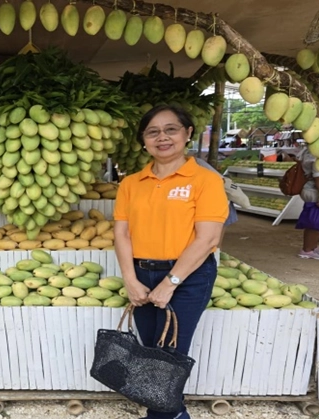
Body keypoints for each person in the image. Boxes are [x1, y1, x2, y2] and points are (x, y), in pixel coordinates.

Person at [113, 105, 228, 419]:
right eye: (153, 132)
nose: (162, 137)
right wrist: (130, 278)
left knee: (169, 357)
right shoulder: (131, 184)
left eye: (171, 129)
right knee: (151, 352)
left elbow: (206, 239)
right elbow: (121, 233)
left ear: (188, 133)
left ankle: (163, 415)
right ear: (144, 141)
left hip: (188, 277)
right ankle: (175, 414)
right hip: (141, 272)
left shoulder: (205, 181)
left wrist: (170, 283)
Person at [295, 142, 319, 259]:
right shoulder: (315, 155)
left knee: (315, 222)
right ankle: (308, 249)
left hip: (311, 189)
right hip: (314, 191)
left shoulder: (308, 151)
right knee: (314, 223)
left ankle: (313, 247)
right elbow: (318, 178)